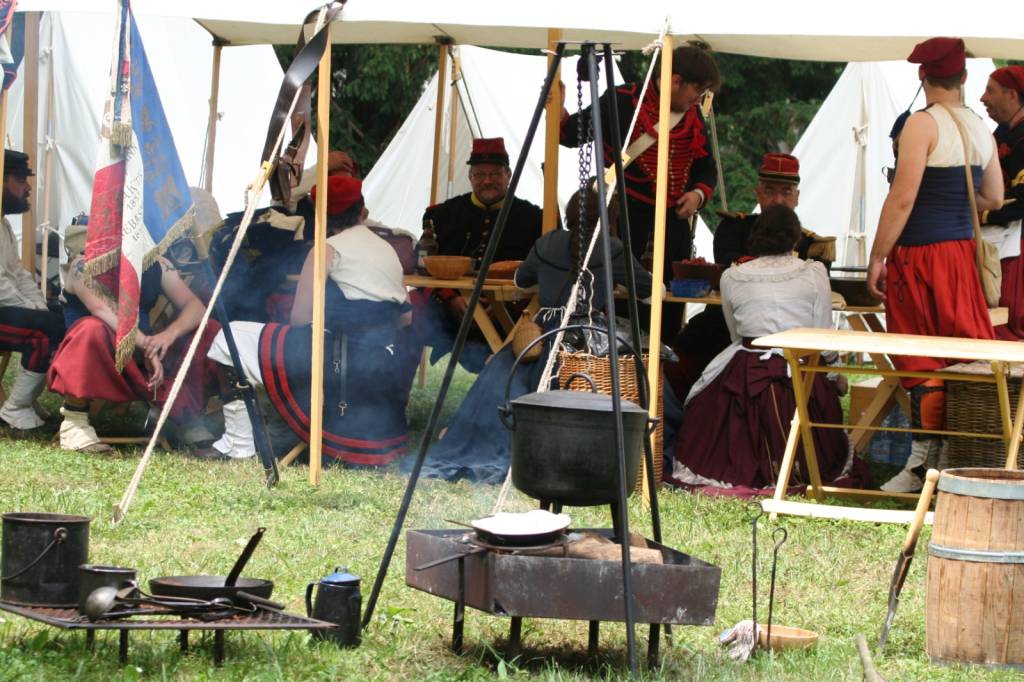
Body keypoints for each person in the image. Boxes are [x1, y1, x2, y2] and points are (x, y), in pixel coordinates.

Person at [416, 185, 656, 483]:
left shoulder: (545, 243)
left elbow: (521, 279)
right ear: (607, 219)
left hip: (539, 331)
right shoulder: (613, 248)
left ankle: (471, 443)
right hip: (584, 334)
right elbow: (649, 290)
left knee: (503, 377)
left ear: (568, 216)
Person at [867, 37, 1003, 493]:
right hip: (961, 254)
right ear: (964, 78)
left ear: (922, 76)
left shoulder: (921, 125)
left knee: (921, 355)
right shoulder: (980, 127)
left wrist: (877, 256)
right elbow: (994, 198)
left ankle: (924, 463)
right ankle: (959, 460)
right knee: (963, 355)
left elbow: (902, 199)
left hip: (921, 256)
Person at [200, 175, 410, 466]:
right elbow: (406, 316)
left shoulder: (327, 249)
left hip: (335, 363)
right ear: (362, 210)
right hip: (379, 364)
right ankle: (273, 430)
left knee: (229, 337)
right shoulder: (389, 250)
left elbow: (300, 318)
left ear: (319, 213)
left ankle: (239, 444)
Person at [669, 205, 857, 492]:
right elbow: (822, 335)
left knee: (711, 403)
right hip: (800, 367)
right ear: (795, 239)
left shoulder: (733, 276)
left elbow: (738, 335)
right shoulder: (813, 271)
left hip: (747, 365)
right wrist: (832, 374)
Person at [560, 44, 721, 343]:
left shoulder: (691, 115)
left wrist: (698, 194)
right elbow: (571, 134)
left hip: (672, 228)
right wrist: (557, 108)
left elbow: (705, 169)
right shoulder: (620, 102)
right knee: (621, 305)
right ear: (675, 80)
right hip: (624, 220)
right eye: (695, 90)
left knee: (668, 313)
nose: (697, 98)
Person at [665, 153, 835, 406]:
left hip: (784, 343)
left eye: (786, 192)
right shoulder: (733, 229)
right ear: (758, 193)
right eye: (770, 191)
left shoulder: (814, 244)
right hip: (726, 329)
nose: (778, 200)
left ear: (797, 197)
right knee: (673, 362)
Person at [48, 248, 220, 453]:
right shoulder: (83, 264)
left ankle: (191, 418)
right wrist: (147, 344)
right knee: (90, 327)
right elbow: (102, 308)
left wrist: (167, 336)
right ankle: (74, 423)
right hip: (98, 362)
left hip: (142, 363)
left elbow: (196, 307)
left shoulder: (157, 263)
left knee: (209, 328)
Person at [415, 137, 543, 372]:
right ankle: (388, 397)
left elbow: (539, 272)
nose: (487, 181)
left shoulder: (534, 218)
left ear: (508, 174)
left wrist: (505, 303)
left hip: (510, 316)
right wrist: (451, 299)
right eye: (479, 175)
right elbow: (423, 265)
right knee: (405, 319)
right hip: (450, 313)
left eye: (494, 175)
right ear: (470, 177)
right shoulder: (443, 215)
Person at [0, 150, 65, 429]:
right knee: (42, 331)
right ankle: (15, 408)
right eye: (19, 179)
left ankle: (25, 398)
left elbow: (18, 275)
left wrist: (38, 306)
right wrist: (35, 313)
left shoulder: (3, 225)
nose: (27, 187)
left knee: (58, 317)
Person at [979, 65, 1024, 340]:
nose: (983, 98)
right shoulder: (1001, 134)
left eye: (989, 91)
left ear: (1011, 95)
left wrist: (981, 212)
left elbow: (1022, 201)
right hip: (1000, 243)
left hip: (1016, 248)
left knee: (1011, 320)